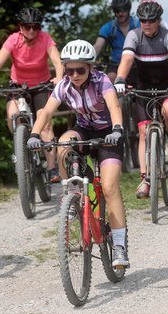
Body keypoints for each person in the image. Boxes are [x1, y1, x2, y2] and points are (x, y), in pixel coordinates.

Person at [27, 40, 129, 268]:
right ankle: (72, 194)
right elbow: (46, 112)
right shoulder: (63, 85)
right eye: (69, 69)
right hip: (84, 129)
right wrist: (34, 134)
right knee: (64, 144)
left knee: (110, 187)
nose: (74, 75)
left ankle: (120, 246)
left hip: (107, 132)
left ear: (90, 68)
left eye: (80, 70)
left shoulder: (102, 81)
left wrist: (117, 129)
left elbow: (114, 107)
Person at [114, 0, 168, 199]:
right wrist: (120, 79)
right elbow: (126, 59)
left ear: (159, 20)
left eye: (151, 20)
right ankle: (146, 178)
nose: (147, 24)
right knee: (143, 131)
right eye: (143, 20)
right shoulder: (134, 35)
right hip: (144, 86)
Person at [0, 7, 63, 182]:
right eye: (27, 26)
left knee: (45, 123)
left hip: (41, 85)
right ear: (20, 27)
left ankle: (52, 169)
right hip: (18, 86)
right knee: (12, 116)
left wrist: (60, 77)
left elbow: (57, 60)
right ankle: (20, 145)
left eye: (35, 27)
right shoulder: (13, 40)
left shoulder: (45, 38)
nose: (32, 30)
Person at [93, 0, 140, 83]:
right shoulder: (109, 27)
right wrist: (88, 59)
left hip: (136, 64)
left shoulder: (138, 25)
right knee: (110, 78)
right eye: (117, 11)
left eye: (123, 11)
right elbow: (98, 45)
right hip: (116, 64)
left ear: (128, 10)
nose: (120, 14)